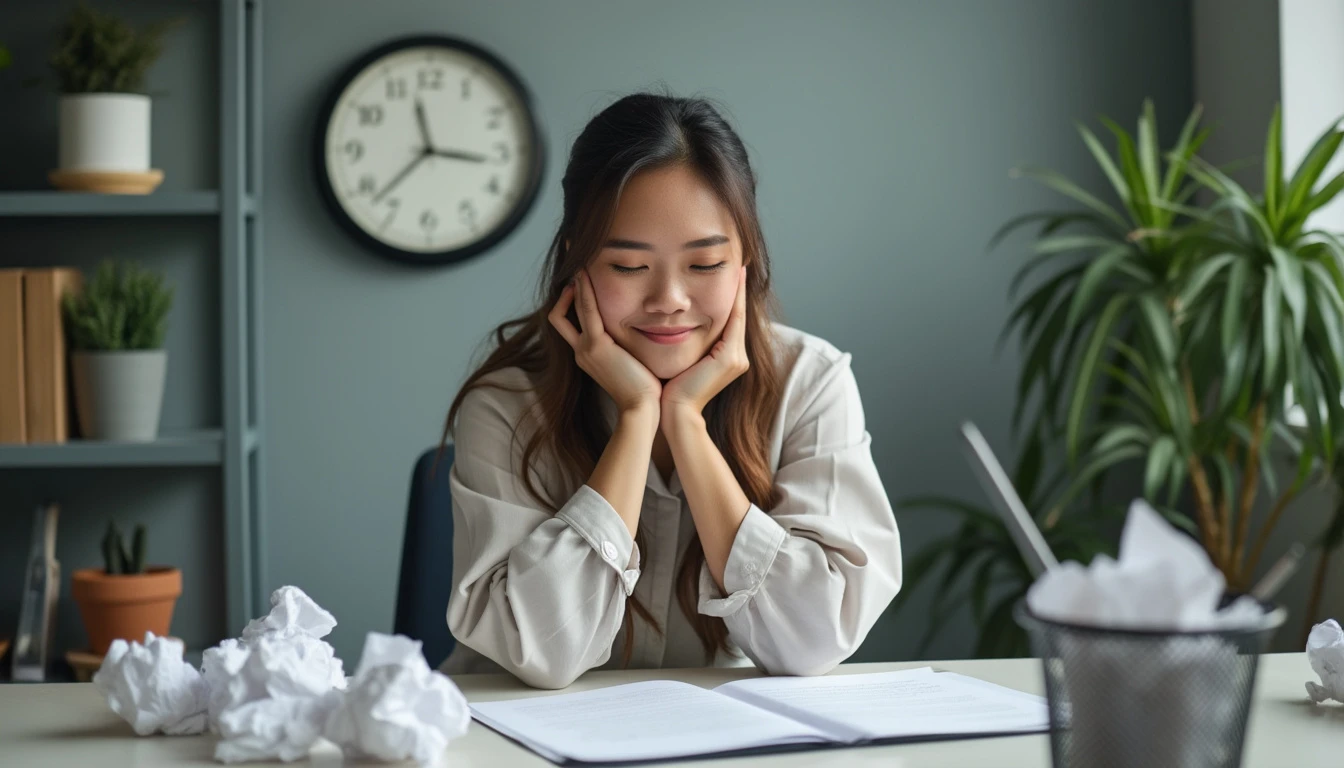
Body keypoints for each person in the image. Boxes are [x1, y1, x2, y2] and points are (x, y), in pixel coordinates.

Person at [437, 91, 902, 689]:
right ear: (575, 265)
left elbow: (813, 640)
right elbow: (542, 653)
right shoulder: (506, 404)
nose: (670, 301)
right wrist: (636, 419)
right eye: (629, 268)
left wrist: (684, 421)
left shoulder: (810, 381)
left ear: (746, 264)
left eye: (704, 265)